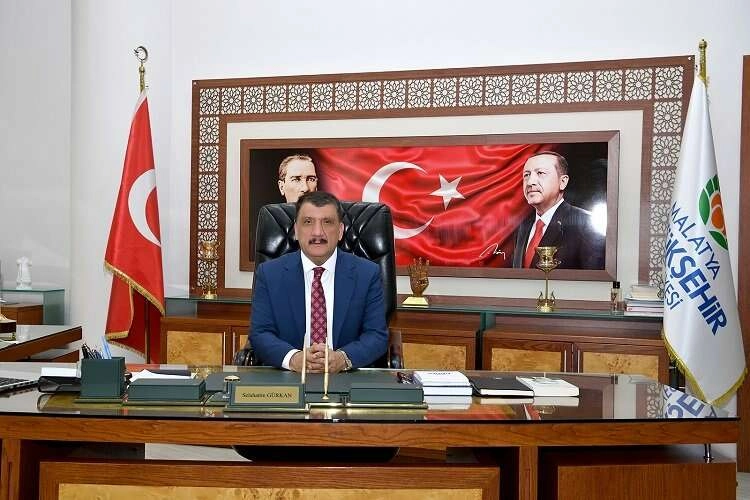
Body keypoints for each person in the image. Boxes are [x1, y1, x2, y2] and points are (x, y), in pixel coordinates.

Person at [250, 191, 389, 372]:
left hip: (346, 378)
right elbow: (260, 334)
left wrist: (342, 359)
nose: (317, 232)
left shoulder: (367, 274)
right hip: (288, 379)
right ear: (296, 230)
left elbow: (376, 336)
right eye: (308, 222)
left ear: (340, 231)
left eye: (327, 222)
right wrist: (293, 359)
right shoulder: (269, 274)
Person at [512, 151, 605, 269]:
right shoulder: (523, 227)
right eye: (526, 175)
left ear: (563, 182)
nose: (530, 182)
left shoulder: (586, 224)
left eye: (540, 173)